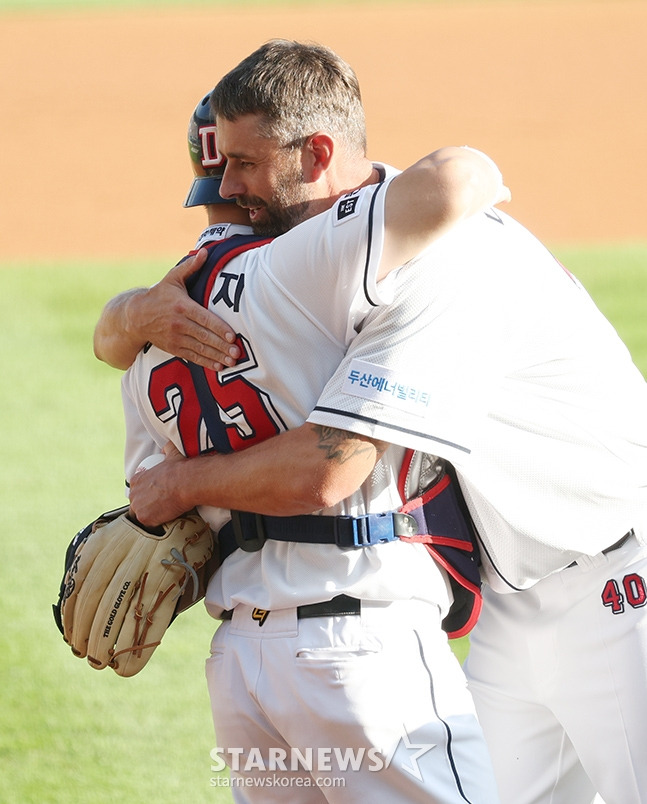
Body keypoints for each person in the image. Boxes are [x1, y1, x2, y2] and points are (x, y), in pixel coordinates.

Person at [116, 42, 647, 804]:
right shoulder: (350, 260)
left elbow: (330, 466)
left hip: (616, 584)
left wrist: (176, 486)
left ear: (317, 155)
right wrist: (127, 316)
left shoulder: (440, 264)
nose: (228, 198)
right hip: (512, 608)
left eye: (245, 170)